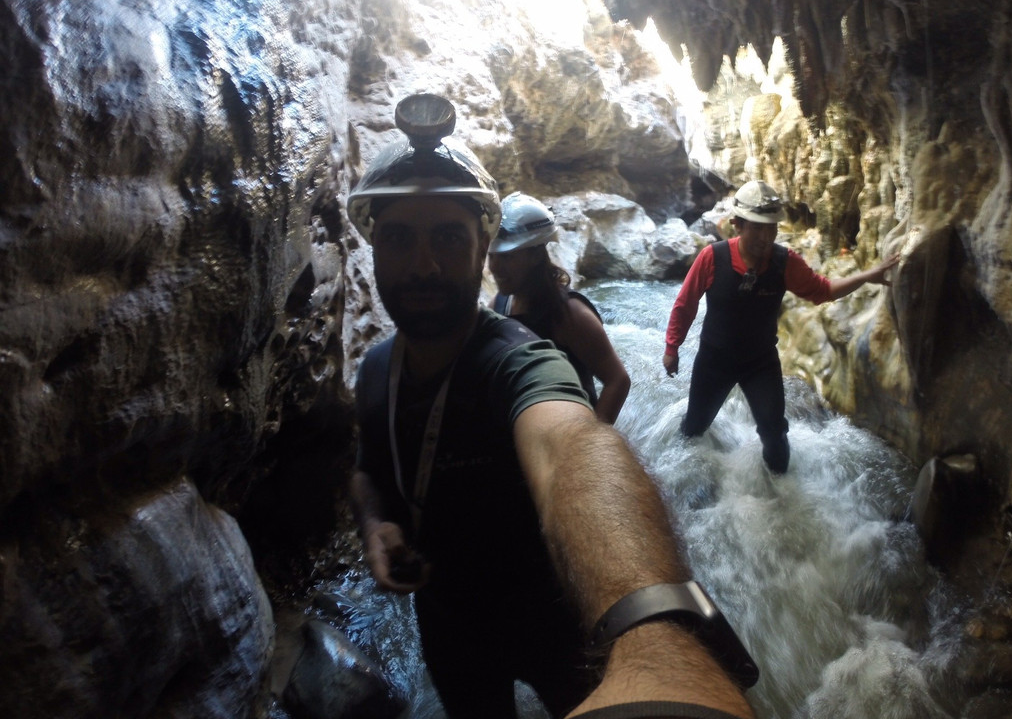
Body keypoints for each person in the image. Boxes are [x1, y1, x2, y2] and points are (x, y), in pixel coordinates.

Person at [347, 93, 758, 719]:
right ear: (374, 248)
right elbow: (369, 467)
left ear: (482, 249)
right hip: (449, 620)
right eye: (400, 238)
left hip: (554, 615)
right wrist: (377, 522)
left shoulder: (521, 358)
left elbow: (569, 448)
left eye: (448, 239)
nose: (424, 264)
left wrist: (650, 626)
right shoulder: (377, 370)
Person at [663, 180, 899, 475]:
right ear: (738, 224)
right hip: (715, 360)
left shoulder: (784, 262)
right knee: (694, 426)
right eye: (758, 227)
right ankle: (678, 483)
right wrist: (672, 348)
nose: (766, 236)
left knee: (774, 434)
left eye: (771, 228)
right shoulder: (713, 258)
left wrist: (866, 276)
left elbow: (822, 290)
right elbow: (686, 304)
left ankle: (780, 493)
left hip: (760, 363)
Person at [488, 191, 631, 425]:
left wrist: (591, 442)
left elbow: (618, 380)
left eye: (507, 257)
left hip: (568, 434)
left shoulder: (570, 314)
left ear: (535, 256)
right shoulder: (500, 305)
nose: (495, 267)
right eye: (491, 256)